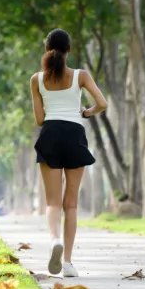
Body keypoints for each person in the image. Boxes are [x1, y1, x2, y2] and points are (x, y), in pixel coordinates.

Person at [30, 28, 108, 276]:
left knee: (52, 202)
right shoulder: (80, 76)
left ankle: (55, 240)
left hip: (50, 134)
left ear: (46, 49)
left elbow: (40, 119)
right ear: (69, 50)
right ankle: (69, 263)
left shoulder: (37, 79)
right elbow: (102, 104)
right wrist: (85, 112)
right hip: (74, 134)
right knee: (71, 205)